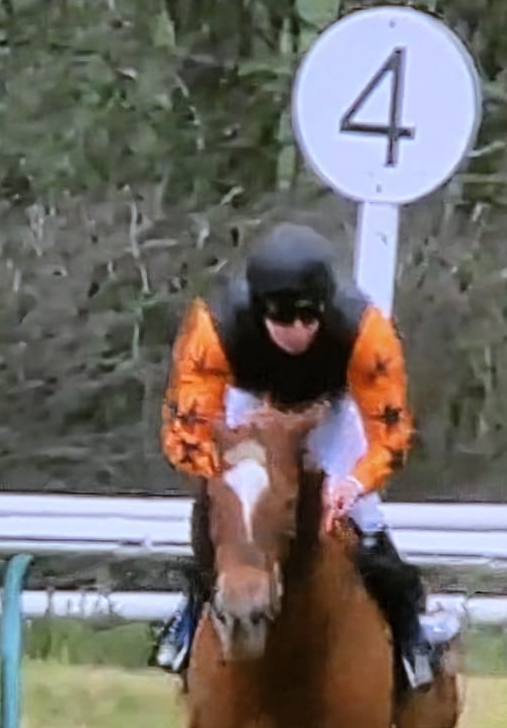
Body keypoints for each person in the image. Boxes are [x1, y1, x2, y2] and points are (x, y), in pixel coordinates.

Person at [151, 221, 439, 692]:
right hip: (247, 407)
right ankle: (189, 617)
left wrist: (353, 483)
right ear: (259, 309)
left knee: (366, 519)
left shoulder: (366, 330)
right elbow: (188, 430)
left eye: (310, 319)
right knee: (228, 516)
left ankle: (410, 634)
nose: (299, 332)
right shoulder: (214, 327)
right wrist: (221, 482)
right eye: (285, 320)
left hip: (329, 412)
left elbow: (391, 433)